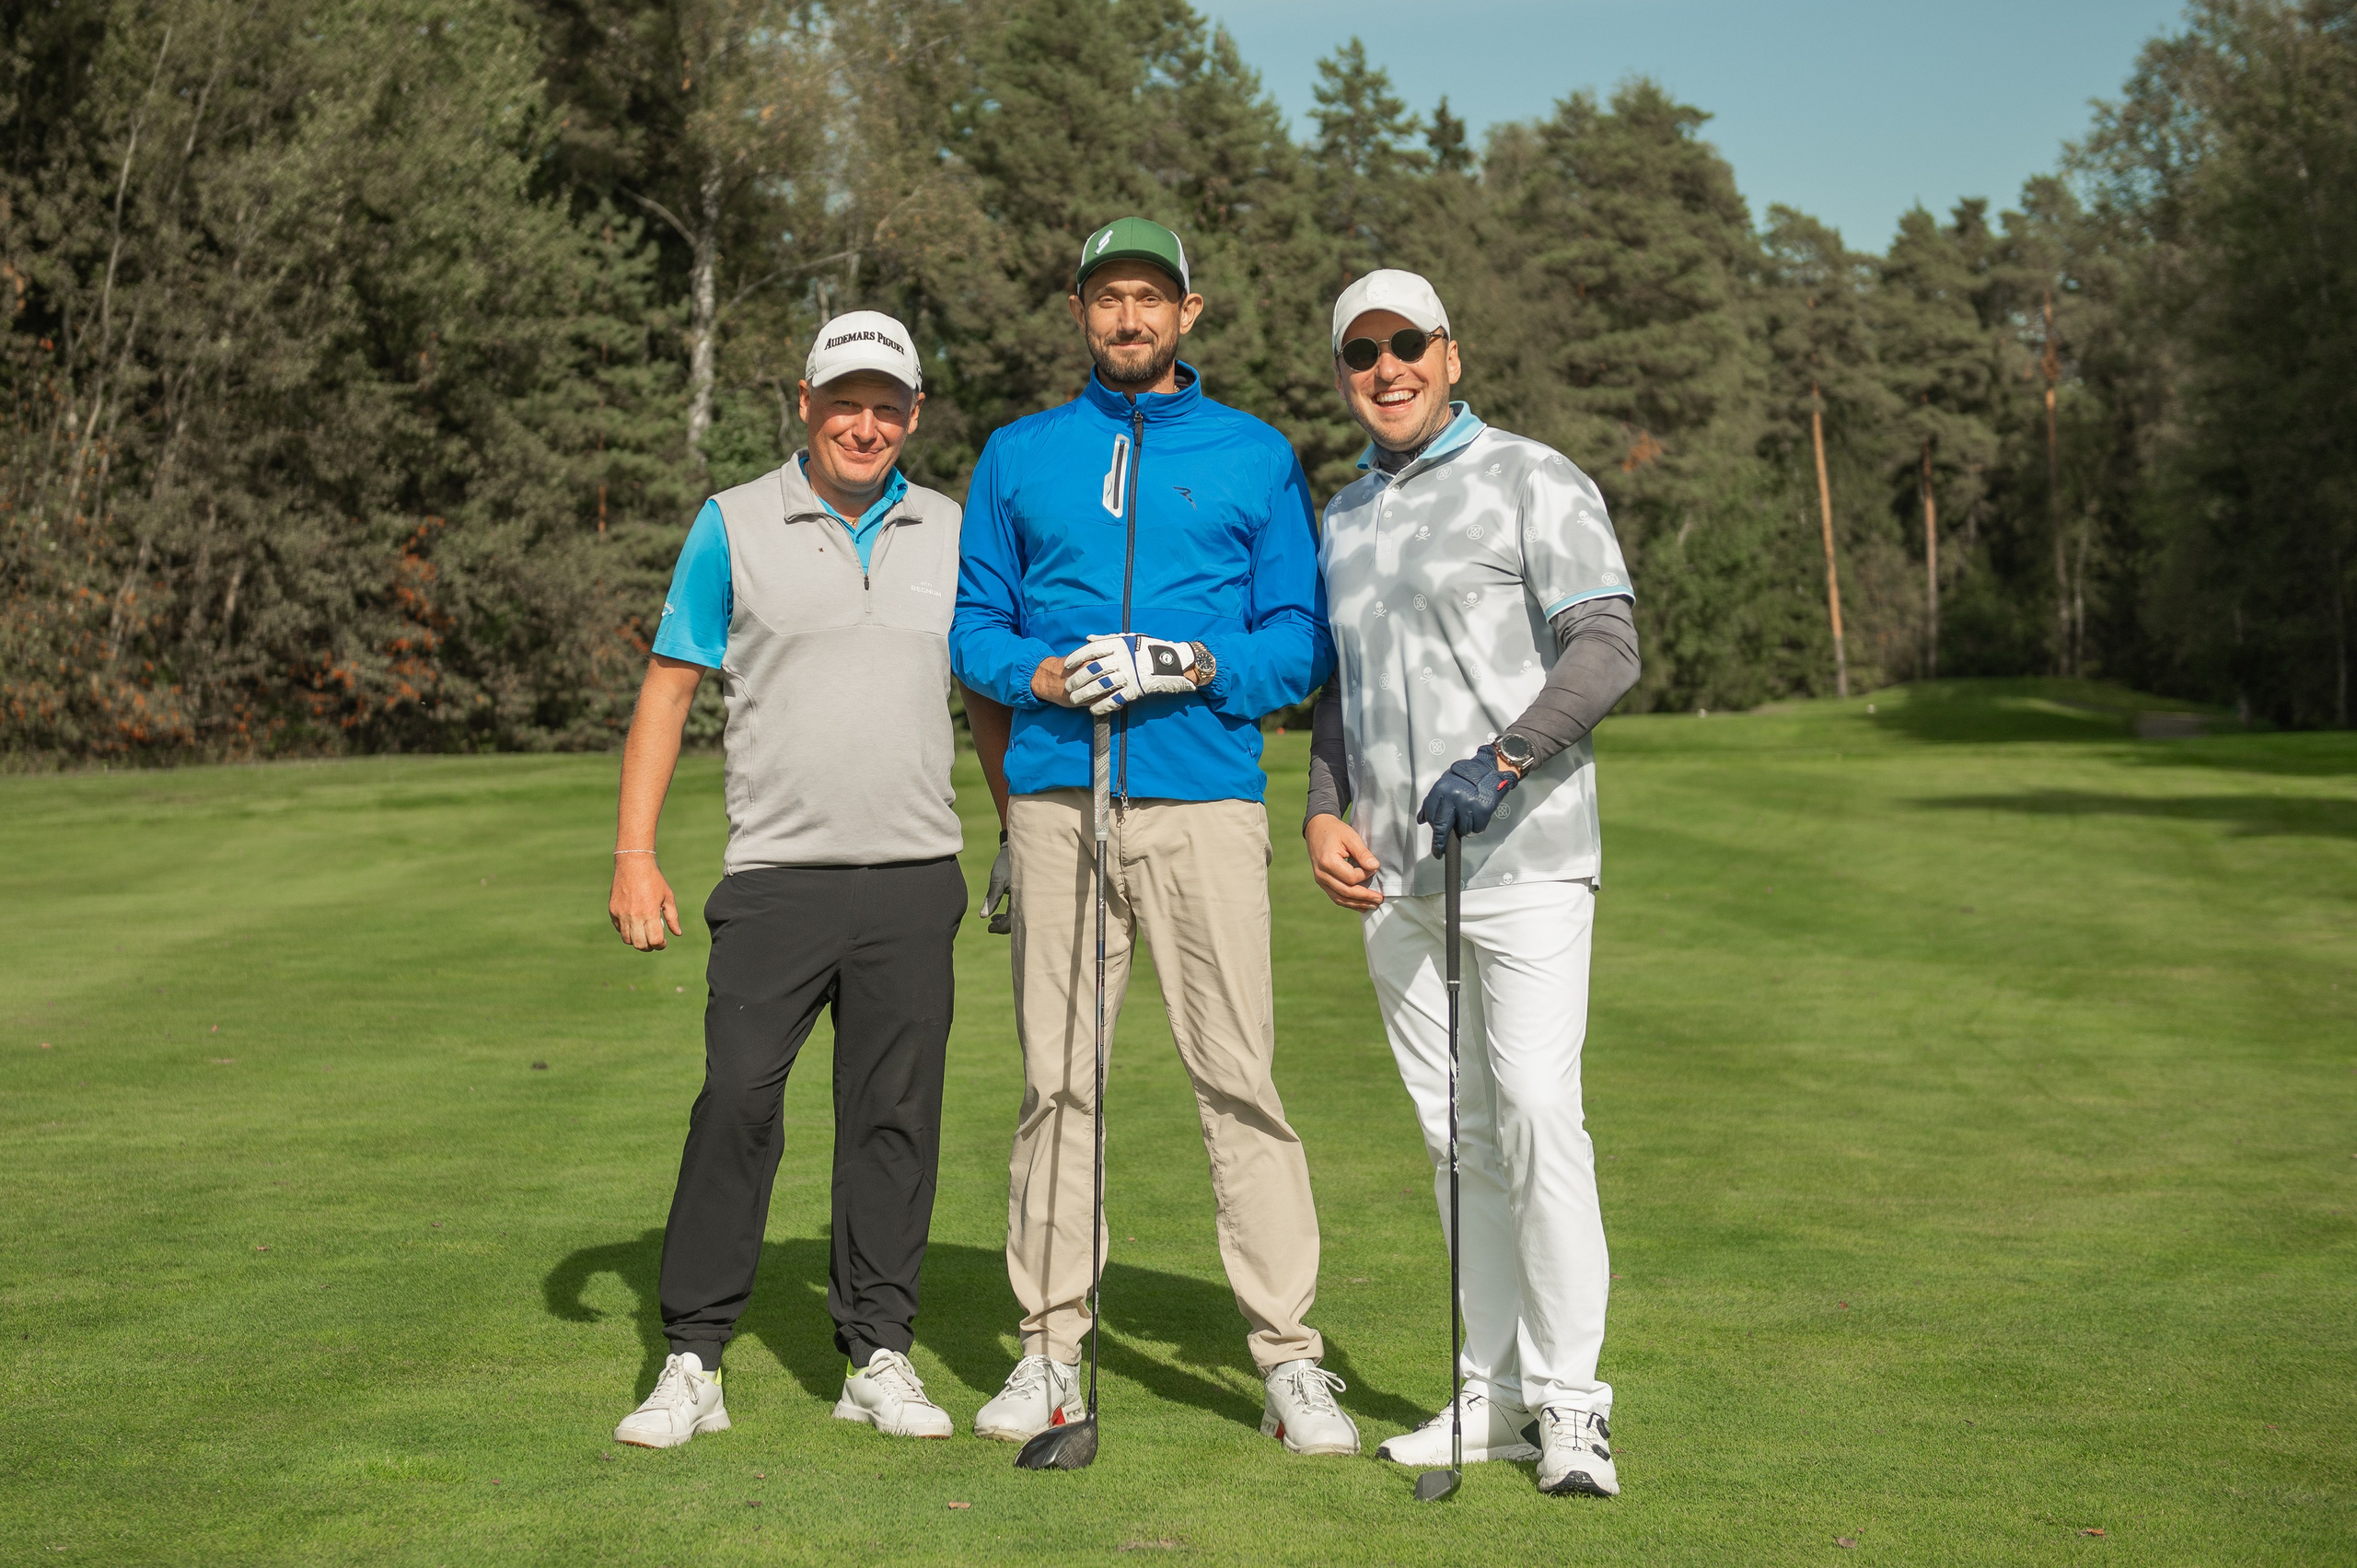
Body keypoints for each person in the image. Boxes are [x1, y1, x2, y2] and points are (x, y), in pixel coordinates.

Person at [950, 217, 1358, 1457]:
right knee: (1057, 1084)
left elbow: (1299, 641)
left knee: (1239, 1080)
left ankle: (1289, 1358)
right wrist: (1041, 674)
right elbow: (972, 629)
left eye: (1149, 296)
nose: (1127, 317)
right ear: (1080, 311)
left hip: (1204, 805)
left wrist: (1192, 661)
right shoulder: (1020, 454)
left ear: (1190, 311)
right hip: (1059, 803)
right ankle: (1050, 1349)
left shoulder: (1255, 453)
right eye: (1106, 296)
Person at [1304, 269, 1642, 1497]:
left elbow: (1606, 644)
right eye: (1361, 353)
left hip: (1526, 855)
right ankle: (1488, 1393)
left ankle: (1571, 1403)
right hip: (1396, 877)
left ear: (1450, 353)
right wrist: (1322, 807)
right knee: (1459, 1138)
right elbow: (1340, 692)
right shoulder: (1343, 514)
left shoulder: (1531, 476)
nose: (1385, 368)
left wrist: (1502, 758)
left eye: (1407, 343)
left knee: (1540, 1112)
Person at [606, 310, 970, 1448]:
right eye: (843, 401)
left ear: (913, 414)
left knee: (893, 1119)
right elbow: (669, 685)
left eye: (886, 406)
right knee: (736, 1102)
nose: (864, 424)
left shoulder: (952, 527)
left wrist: (1020, 834)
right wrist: (633, 854)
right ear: (805, 403)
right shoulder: (731, 522)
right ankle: (693, 1356)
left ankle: (877, 1352)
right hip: (775, 878)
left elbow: (989, 693)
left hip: (914, 873)